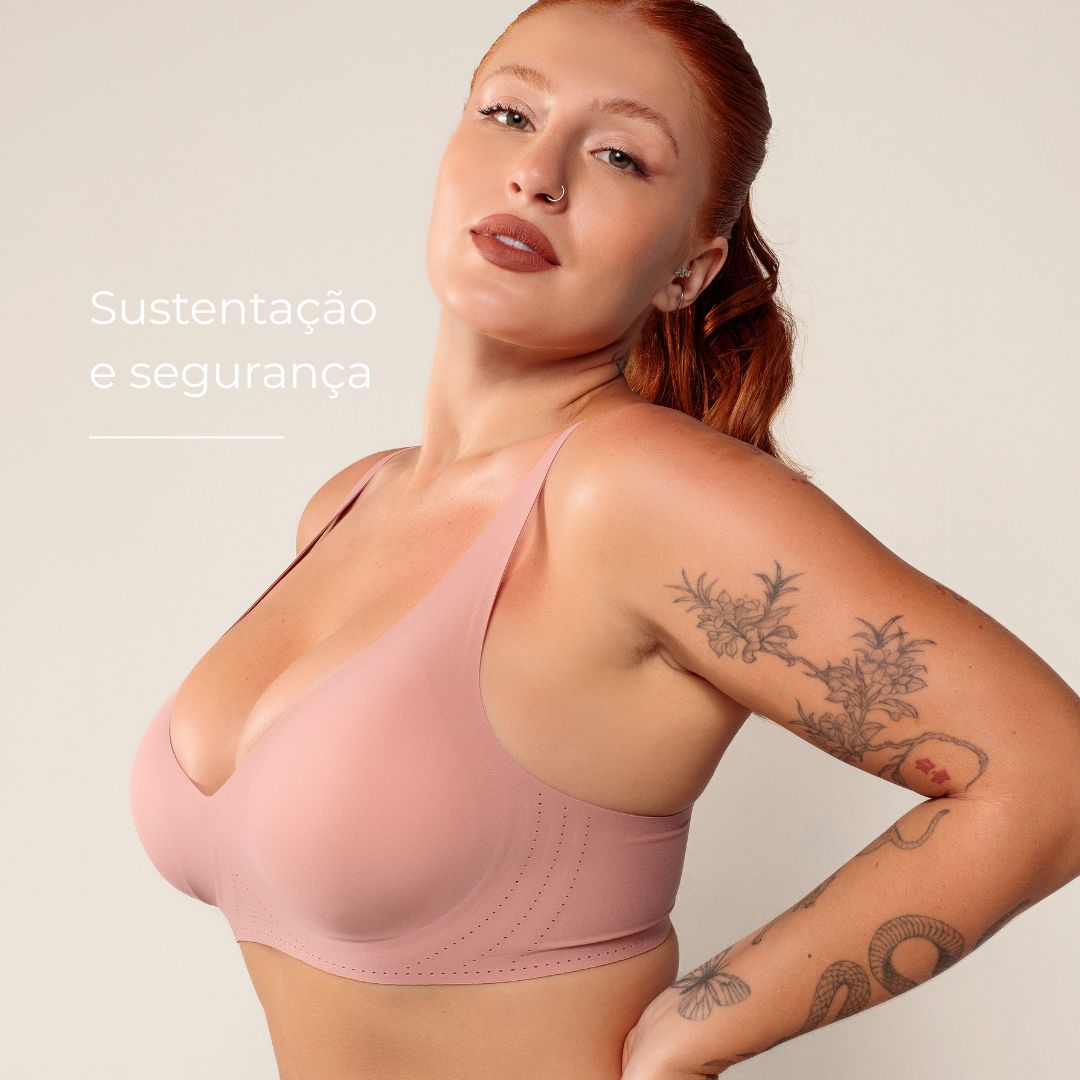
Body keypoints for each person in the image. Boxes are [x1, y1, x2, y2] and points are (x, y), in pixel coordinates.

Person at [129, 1, 1080, 1077]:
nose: (538, 174)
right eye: (509, 113)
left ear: (689, 270)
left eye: (620, 155)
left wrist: (694, 1032)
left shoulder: (632, 493)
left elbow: (1048, 771)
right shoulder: (350, 501)